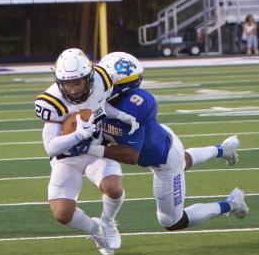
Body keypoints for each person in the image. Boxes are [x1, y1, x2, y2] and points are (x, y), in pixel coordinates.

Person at [98, 52, 246, 233]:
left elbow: (131, 155)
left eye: (105, 81)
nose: (98, 84)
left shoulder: (134, 106)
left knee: (171, 221)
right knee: (184, 160)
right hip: (162, 139)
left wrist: (91, 148)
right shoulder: (106, 100)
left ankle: (232, 204)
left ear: (121, 87)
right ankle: (223, 150)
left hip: (164, 162)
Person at [34, 47, 136, 255]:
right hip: (66, 158)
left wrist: (121, 115)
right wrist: (78, 135)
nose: (73, 89)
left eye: (78, 82)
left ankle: (108, 221)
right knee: (62, 214)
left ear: (89, 77)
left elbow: (99, 105)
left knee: (113, 188)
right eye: (68, 83)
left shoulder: (101, 80)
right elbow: (50, 146)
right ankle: (96, 231)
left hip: (95, 150)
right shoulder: (51, 101)